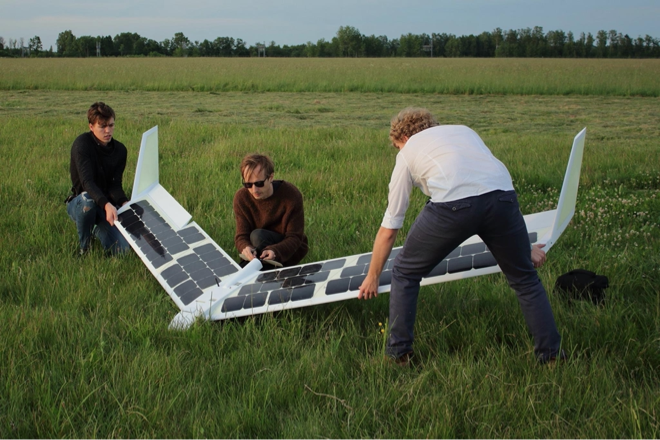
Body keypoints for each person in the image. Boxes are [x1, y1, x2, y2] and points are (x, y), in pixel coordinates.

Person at [358, 107, 564, 365]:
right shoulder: (464, 132)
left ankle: (399, 354)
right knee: (525, 279)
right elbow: (486, 189)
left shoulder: (408, 152)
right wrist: (523, 250)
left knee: (404, 272)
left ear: (405, 140)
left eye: (397, 146)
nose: (399, 151)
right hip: (504, 199)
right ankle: (552, 357)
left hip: (452, 206)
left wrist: (373, 275)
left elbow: (390, 226)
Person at [66, 102, 130, 255]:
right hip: (81, 203)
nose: (108, 130)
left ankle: (96, 227)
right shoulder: (82, 145)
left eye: (111, 125)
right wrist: (107, 204)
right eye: (102, 126)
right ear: (91, 126)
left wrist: (124, 202)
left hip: (104, 207)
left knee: (122, 251)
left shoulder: (120, 150)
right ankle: (84, 248)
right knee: (88, 201)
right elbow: (87, 182)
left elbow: (115, 185)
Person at [233, 154, 308, 268]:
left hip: (288, 249)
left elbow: (295, 237)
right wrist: (246, 247)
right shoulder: (241, 198)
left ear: (271, 177)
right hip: (257, 248)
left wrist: (275, 251)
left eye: (259, 183)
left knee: (257, 236)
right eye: (248, 184)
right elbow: (241, 236)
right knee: (256, 239)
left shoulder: (291, 195)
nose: (254, 190)